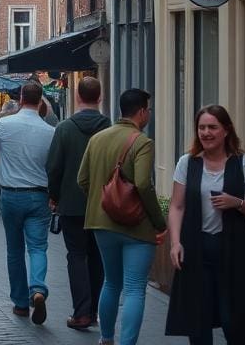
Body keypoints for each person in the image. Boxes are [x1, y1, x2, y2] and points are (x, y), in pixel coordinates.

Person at [165, 104, 245, 344]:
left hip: (235, 253)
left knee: (234, 321)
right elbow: (177, 206)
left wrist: (238, 203)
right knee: (197, 323)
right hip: (196, 250)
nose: (206, 133)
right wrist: (176, 243)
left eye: (212, 127)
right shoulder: (187, 163)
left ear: (226, 130)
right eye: (201, 127)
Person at [77, 88, 164, 345]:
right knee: (135, 287)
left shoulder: (98, 139)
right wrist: (159, 222)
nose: (148, 114)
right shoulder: (142, 142)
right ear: (141, 112)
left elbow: (82, 180)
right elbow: (143, 185)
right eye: (148, 109)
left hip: (101, 222)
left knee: (111, 282)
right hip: (136, 227)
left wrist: (104, 200)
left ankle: (106, 338)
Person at [0, 82, 55, 325]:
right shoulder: (50, 131)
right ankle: (38, 289)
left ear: (21, 99)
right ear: (41, 101)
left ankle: (20, 303)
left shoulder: (4, 124)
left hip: (11, 194)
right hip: (38, 194)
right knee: (38, 247)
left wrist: (0, 159)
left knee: (15, 250)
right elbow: (54, 164)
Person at [46, 76, 111, 331]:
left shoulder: (64, 128)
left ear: (77, 97)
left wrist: (55, 195)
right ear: (100, 97)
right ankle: (94, 311)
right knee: (98, 258)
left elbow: (53, 167)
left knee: (76, 256)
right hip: (104, 205)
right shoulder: (110, 128)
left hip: (72, 204)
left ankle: (81, 312)